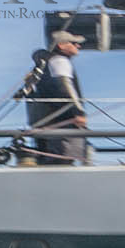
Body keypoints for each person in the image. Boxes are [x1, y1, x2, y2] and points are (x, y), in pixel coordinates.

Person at [28, 30, 90, 165]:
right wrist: (77, 112)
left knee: (52, 159)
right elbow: (64, 87)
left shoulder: (45, 64)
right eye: (74, 43)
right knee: (65, 159)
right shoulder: (60, 61)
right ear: (61, 45)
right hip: (64, 121)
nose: (78, 46)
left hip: (47, 121)